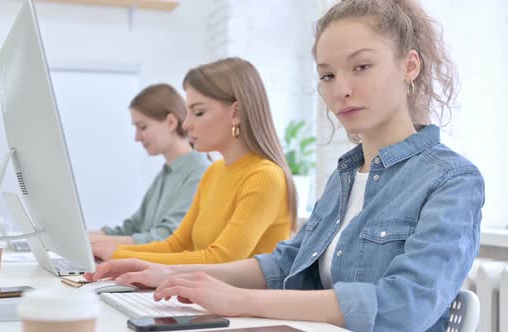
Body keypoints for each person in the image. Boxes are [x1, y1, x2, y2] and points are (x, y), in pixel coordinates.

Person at [84, 1, 485, 330]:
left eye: (361, 66)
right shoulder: (345, 176)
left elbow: (403, 306)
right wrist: (163, 273)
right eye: (327, 74)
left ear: (409, 66)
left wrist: (241, 301)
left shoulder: (451, 181)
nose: (340, 89)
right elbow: (285, 263)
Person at [91, 57, 297, 264]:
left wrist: (119, 255)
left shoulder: (265, 176)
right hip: (204, 292)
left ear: (236, 113)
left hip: (240, 295)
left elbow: (220, 259)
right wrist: (108, 250)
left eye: (198, 112)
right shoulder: (214, 171)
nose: (187, 123)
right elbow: (175, 245)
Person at [89, 84, 210, 255]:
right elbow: (133, 227)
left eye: (143, 127)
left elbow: (166, 237)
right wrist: (88, 237)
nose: (137, 137)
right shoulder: (166, 173)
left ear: (171, 122)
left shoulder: (200, 172)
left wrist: (96, 242)